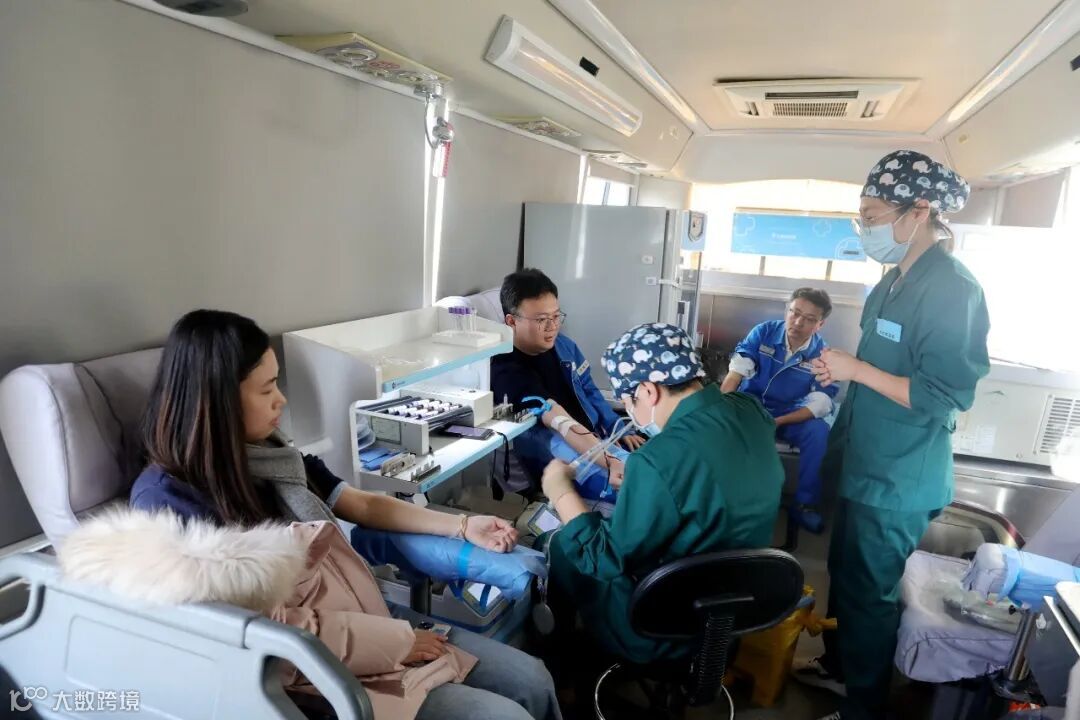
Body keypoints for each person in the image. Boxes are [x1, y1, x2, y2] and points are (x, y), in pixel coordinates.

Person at [129, 309, 561, 720]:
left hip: (366, 617)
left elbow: (362, 503)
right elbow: (264, 632)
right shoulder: (170, 505)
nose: (281, 401)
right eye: (266, 390)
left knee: (532, 680)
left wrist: (463, 526)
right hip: (312, 670)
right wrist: (395, 643)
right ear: (216, 401)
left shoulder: (272, 457)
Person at [798, 151, 990, 720]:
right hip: (864, 462)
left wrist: (857, 370)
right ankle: (839, 666)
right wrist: (844, 369)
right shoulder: (893, 281)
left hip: (897, 475)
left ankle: (863, 708)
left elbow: (943, 393)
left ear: (919, 211)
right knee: (845, 577)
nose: (866, 229)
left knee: (871, 596)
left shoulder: (953, 289)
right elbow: (888, 366)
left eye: (873, 216)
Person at [540, 323, 784, 665]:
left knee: (562, 546)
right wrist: (649, 486)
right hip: (735, 609)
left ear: (648, 391)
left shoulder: (656, 459)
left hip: (662, 624)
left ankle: (560, 664)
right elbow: (719, 481)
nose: (630, 411)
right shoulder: (749, 410)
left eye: (629, 401)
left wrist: (561, 491)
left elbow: (605, 558)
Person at [491, 268, 644, 500]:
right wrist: (609, 459)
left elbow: (590, 390)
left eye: (556, 316)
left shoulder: (564, 347)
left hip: (597, 441)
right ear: (511, 321)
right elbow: (558, 420)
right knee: (638, 491)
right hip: (561, 457)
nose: (552, 326)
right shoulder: (506, 369)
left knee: (655, 471)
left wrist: (616, 428)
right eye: (541, 320)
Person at [721, 288, 839, 533]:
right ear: (787, 310)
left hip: (790, 416)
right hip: (751, 407)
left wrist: (778, 422)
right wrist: (722, 407)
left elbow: (821, 402)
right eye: (795, 313)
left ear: (820, 324)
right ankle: (728, 495)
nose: (798, 322)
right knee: (725, 427)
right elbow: (737, 370)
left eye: (809, 319)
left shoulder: (823, 355)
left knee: (819, 432)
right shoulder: (764, 332)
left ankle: (804, 504)